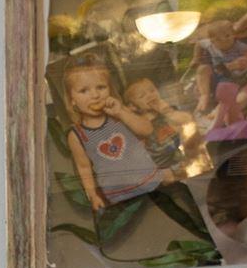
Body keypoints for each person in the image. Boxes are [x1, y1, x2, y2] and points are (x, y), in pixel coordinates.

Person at [60, 56, 167, 210]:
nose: (95, 95)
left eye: (101, 87)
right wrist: (93, 195)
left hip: (152, 181)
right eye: (84, 90)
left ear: (110, 89)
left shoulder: (120, 113)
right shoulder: (77, 135)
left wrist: (122, 112)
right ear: (72, 100)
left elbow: (148, 130)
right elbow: (84, 168)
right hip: (119, 195)